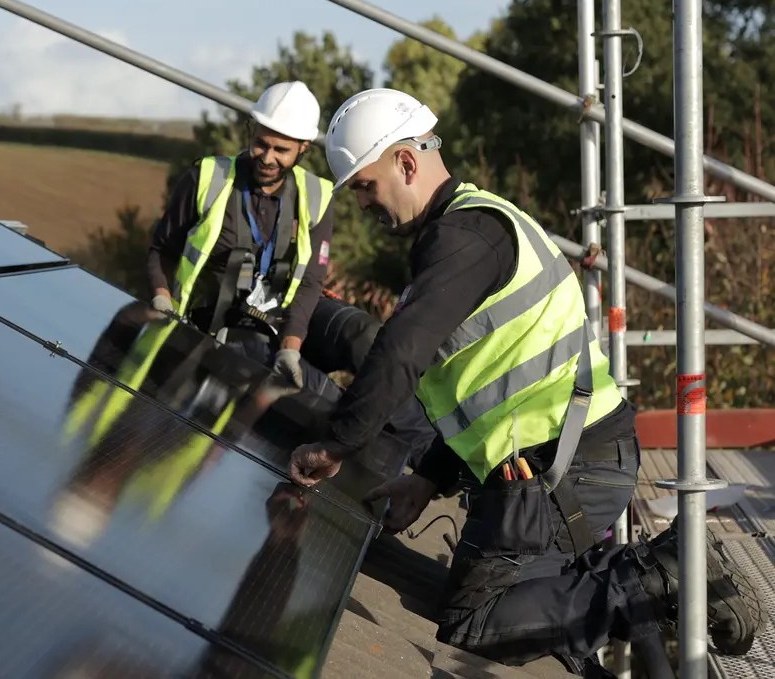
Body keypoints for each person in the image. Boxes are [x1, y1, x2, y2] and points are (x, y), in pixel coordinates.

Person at [287, 88, 759, 675]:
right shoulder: (470, 231)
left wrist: (337, 443)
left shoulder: (464, 238)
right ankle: (649, 579)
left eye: (364, 185)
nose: (361, 203)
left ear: (406, 162)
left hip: (566, 466)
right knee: (527, 612)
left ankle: (664, 571)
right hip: (563, 458)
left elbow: (399, 352)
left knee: (477, 621)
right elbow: (488, 393)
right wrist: (427, 480)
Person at [148, 80, 336, 395]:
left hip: (266, 332)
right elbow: (161, 249)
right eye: (261, 143)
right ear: (251, 129)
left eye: (282, 150)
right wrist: (162, 298)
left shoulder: (318, 198)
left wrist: (290, 347)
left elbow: (310, 283)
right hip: (193, 327)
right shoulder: (206, 178)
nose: (267, 157)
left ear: (304, 147)